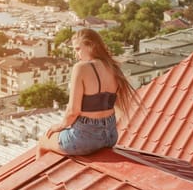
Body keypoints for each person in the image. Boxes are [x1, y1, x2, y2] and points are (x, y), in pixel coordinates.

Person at [36, 28, 138, 159]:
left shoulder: (81, 68)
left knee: (43, 141)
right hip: (110, 137)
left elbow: (73, 111)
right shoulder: (113, 67)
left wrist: (59, 126)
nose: (75, 54)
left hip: (84, 140)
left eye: (78, 49)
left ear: (91, 45)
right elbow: (118, 108)